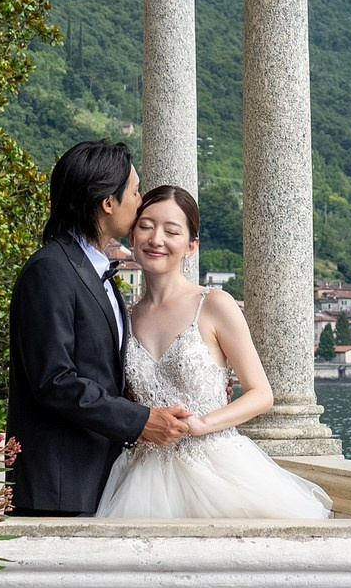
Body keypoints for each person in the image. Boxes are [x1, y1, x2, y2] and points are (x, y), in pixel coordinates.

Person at [95, 184, 332, 520]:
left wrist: (205, 424)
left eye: (171, 231)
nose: (156, 239)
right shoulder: (124, 316)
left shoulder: (214, 305)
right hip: (143, 473)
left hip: (215, 465)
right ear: (132, 236)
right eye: (146, 226)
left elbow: (261, 394)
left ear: (191, 246)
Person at [6, 141, 192, 516]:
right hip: (58, 485)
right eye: (135, 191)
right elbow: (54, 380)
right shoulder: (50, 270)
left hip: (101, 477)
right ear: (108, 202)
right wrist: (140, 422)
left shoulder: (93, 269)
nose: (140, 202)